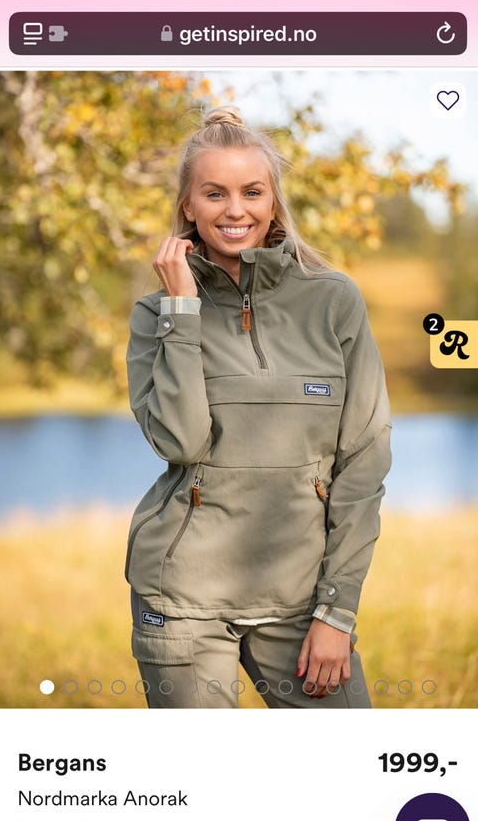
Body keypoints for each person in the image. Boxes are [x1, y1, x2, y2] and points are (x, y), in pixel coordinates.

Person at [125, 106, 391, 709]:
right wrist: (182, 310)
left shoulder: (333, 300)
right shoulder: (155, 314)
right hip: (182, 598)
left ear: (274, 202)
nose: (235, 210)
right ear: (188, 205)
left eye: (251, 191)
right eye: (214, 193)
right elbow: (181, 442)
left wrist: (336, 610)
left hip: (301, 598)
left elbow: (365, 460)